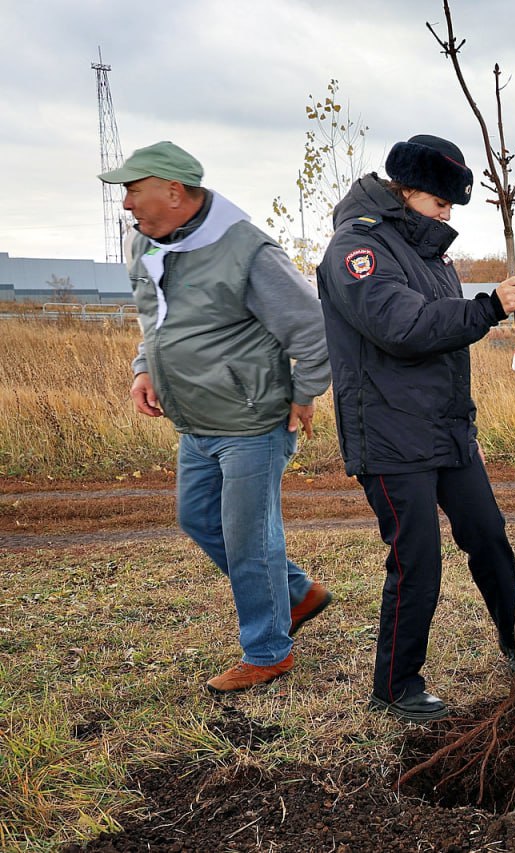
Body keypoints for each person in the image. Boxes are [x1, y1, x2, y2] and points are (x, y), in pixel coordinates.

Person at [99, 141, 333, 694]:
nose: (128, 203)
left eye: (135, 190)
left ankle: (269, 651)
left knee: (249, 540)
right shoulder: (146, 243)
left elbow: (313, 327)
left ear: (174, 192)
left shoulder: (249, 251)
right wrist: (143, 368)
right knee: (199, 519)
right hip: (195, 419)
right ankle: (296, 594)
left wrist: (305, 392)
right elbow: (153, 318)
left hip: (251, 421)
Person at [316, 134, 515, 722]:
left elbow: (441, 334)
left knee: (487, 532)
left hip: (445, 428)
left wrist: (483, 320)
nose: (448, 214)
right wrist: (486, 309)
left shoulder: (431, 254)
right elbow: (402, 326)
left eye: (453, 206)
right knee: (418, 557)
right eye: (442, 202)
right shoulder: (357, 249)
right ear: (408, 189)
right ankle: (396, 682)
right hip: (388, 432)